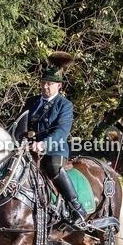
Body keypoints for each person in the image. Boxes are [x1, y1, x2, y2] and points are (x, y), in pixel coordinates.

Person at [17, 58, 86, 226]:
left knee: (53, 166)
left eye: (49, 84)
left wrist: (43, 144)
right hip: (29, 148)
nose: (45, 87)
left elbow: (61, 132)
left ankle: (76, 207)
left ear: (59, 86)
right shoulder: (32, 102)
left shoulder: (65, 105)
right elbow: (20, 123)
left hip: (54, 150)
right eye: (43, 83)